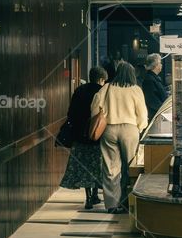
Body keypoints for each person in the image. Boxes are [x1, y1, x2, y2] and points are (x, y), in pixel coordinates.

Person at [90, 61, 148, 213]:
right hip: (130, 129)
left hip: (109, 129)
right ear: (132, 74)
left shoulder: (107, 87)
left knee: (111, 168)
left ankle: (111, 205)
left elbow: (95, 107)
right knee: (130, 168)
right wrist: (140, 128)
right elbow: (142, 114)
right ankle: (129, 202)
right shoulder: (135, 89)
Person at [59, 67, 107, 209]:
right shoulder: (102, 91)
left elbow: (71, 112)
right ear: (101, 79)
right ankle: (94, 195)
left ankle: (88, 198)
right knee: (97, 166)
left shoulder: (79, 90)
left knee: (84, 166)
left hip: (80, 136)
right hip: (97, 135)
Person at [139, 53, 167, 122]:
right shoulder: (149, 79)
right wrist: (163, 110)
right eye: (160, 63)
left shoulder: (154, 78)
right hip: (154, 116)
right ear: (155, 65)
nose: (161, 65)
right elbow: (152, 100)